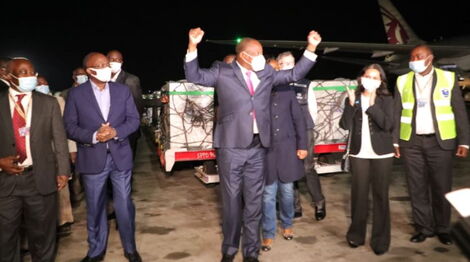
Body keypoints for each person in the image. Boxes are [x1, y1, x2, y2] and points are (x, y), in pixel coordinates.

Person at [184, 27, 321, 262]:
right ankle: (229, 249)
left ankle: (251, 252)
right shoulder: (223, 71)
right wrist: (192, 46)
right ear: (243, 55)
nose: (261, 56)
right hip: (231, 148)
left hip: (259, 147)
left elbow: (293, 74)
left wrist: (311, 48)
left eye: (262, 52)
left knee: (254, 202)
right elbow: (195, 76)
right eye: (256, 52)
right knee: (231, 201)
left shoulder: (266, 73)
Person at [64, 52, 141, 262]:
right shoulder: (76, 95)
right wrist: (94, 135)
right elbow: (70, 127)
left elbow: (134, 120)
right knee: (95, 206)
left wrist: (116, 132)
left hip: (120, 157)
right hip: (92, 157)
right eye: (101, 65)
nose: (107, 67)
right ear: (89, 71)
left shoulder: (122, 91)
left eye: (107, 64)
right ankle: (96, 250)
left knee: (124, 204)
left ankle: (130, 248)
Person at [393, 44, 470, 245]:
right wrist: (395, 141)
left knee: (441, 187)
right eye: (412, 57)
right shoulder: (402, 81)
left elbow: (459, 111)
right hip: (411, 142)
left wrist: (465, 141)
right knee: (416, 188)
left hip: (440, 141)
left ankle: (443, 228)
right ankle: (424, 228)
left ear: (430, 58)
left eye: (418, 56)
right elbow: (396, 112)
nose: (414, 60)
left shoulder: (448, 78)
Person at [0, 57, 70, 262]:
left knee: (43, 238)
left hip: (40, 180)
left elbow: (60, 138)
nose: (30, 77)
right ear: (7, 75)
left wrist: (64, 171)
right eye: (23, 73)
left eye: (33, 72)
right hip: (6, 183)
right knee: (5, 239)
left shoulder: (48, 103)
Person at [339, 64, 394, 255]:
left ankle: (381, 240)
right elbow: (345, 125)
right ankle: (356, 235)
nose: (371, 79)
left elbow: (387, 124)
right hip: (358, 153)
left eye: (375, 77)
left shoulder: (386, 99)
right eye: (368, 76)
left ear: (381, 81)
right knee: (359, 195)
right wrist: (351, 104)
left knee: (380, 196)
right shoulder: (352, 98)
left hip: (382, 154)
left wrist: (371, 106)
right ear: (361, 78)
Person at [277, 51, 326, 221]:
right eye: (286, 63)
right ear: (279, 66)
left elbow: (313, 110)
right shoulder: (278, 85)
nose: (292, 66)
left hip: (304, 130)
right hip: (286, 132)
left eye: (293, 62)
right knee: (291, 169)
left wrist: (307, 128)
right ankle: (295, 205)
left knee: (307, 168)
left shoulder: (306, 84)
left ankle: (319, 202)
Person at [261, 79, 307, 252]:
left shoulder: (287, 92)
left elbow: (298, 119)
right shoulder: (258, 91)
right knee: (268, 195)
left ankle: (287, 224)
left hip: (287, 150)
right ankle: (268, 233)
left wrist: (302, 145)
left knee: (287, 192)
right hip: (266, 152)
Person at [35, 75, 76, 237]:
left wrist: (71, 150)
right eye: (39, 84)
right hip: (38, 153)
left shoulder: (57, 101)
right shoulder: (31, 102)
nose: (42, 86)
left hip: (58, 150)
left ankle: (64, 220)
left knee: (62, 188)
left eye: (45, 83)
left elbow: (65, 131)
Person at [107, 50, 143, 160]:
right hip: (107, 131)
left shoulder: (130, 80)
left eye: (118, 60)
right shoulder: (104, 80)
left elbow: (137, 107)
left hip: (126, 132)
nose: (115, 62)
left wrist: (130, 129)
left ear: (122, 62)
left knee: (124, 164)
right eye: (112, 59)